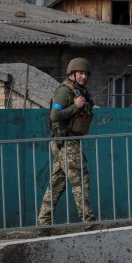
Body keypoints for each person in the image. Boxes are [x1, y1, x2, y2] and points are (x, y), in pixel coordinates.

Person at [37, 58, 96, 232]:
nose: (84, 76)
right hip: (65, 142)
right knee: (81, 180)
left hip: (68, 142)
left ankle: (43, 224)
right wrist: (76, 107)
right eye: (81, 73)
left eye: (86, 74)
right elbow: (54, 116)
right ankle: (88, 222)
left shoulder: (79, 91)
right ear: (72, 74)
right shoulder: (64, 91)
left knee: (57, 184)